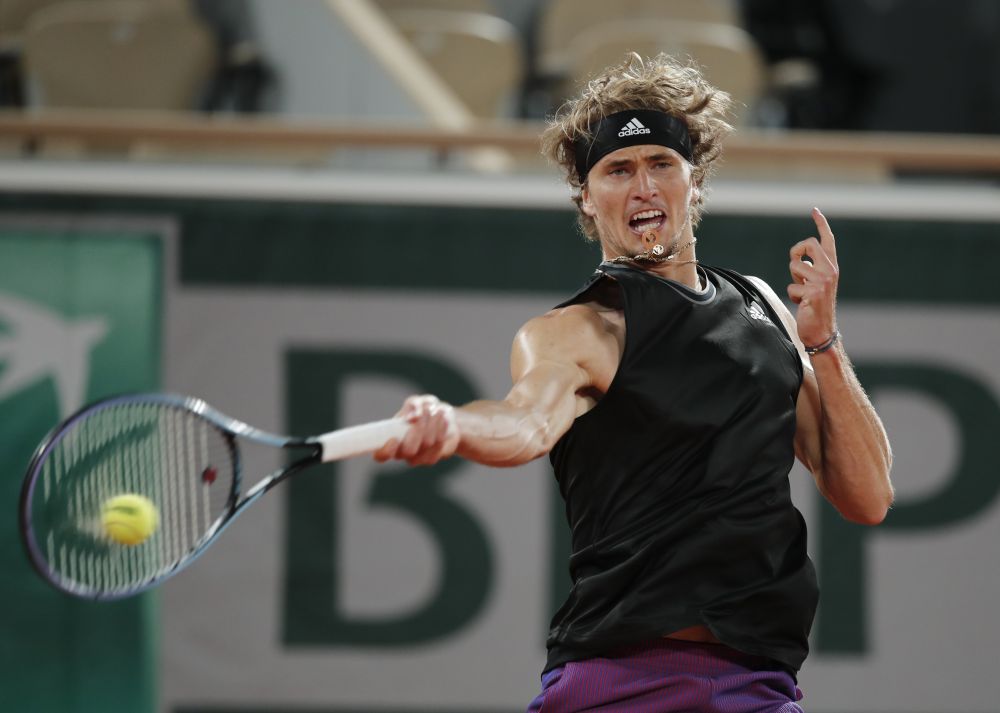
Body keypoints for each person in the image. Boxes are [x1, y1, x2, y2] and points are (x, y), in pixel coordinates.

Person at [373, 53, 894, 713]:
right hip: (617, 684)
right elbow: (524, 421)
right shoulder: (578, 331)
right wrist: (453, 425)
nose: (643, 186)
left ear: (694, 182)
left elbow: (868, 496)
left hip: (755, 686)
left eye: (660, 164)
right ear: (587, 199)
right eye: (618, 169)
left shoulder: (763, 306)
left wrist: (822, 340)